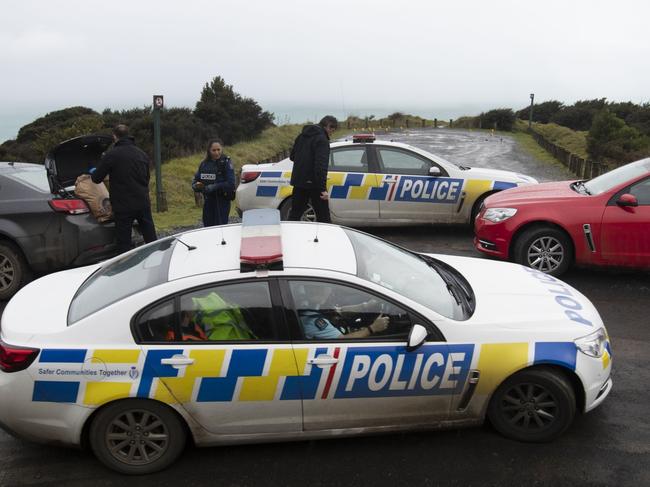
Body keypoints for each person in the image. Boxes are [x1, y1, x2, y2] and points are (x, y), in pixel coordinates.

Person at [91, 124, 157, 254]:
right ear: (128, 135)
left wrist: (94, 171)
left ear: (115, 136)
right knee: (150, 236)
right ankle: (157, 257)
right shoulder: (141, 154)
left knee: (124, 242)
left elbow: (97, 178)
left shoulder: (112, 155)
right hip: (142, 201)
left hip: (123, 205)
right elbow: (147, 178)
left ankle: (125, 267)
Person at [288, 115, 338, 222]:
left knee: (294, 215)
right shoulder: (322, 140)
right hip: (315, 184)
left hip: (299, 182)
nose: (331, 134)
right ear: (328, 126)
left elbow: (292, 157)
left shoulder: (301, 136)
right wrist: (323, 189)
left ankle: (290, 236)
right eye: (332, 131)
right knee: (324, 218)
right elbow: (321, 166)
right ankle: (325, 238)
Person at [298, 283, 389, 340]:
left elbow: (340, 311)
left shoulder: (311, 304)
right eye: (323, 288)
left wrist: (366, 306)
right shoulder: (313, 321)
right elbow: (343, 340)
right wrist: (372, 328)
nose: (327, 291)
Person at [192, 139, 236, 227]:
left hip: (222, 200)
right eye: (214, 150)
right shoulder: (204, 164)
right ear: (209, 150)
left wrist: (214, 186)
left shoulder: (226, 163)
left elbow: (231, 183)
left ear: (222, 149)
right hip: (208, 201)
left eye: (218, 150)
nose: (216, 153)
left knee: (220, 228)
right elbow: (196, 179)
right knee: (208, 227)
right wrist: (195, 186)